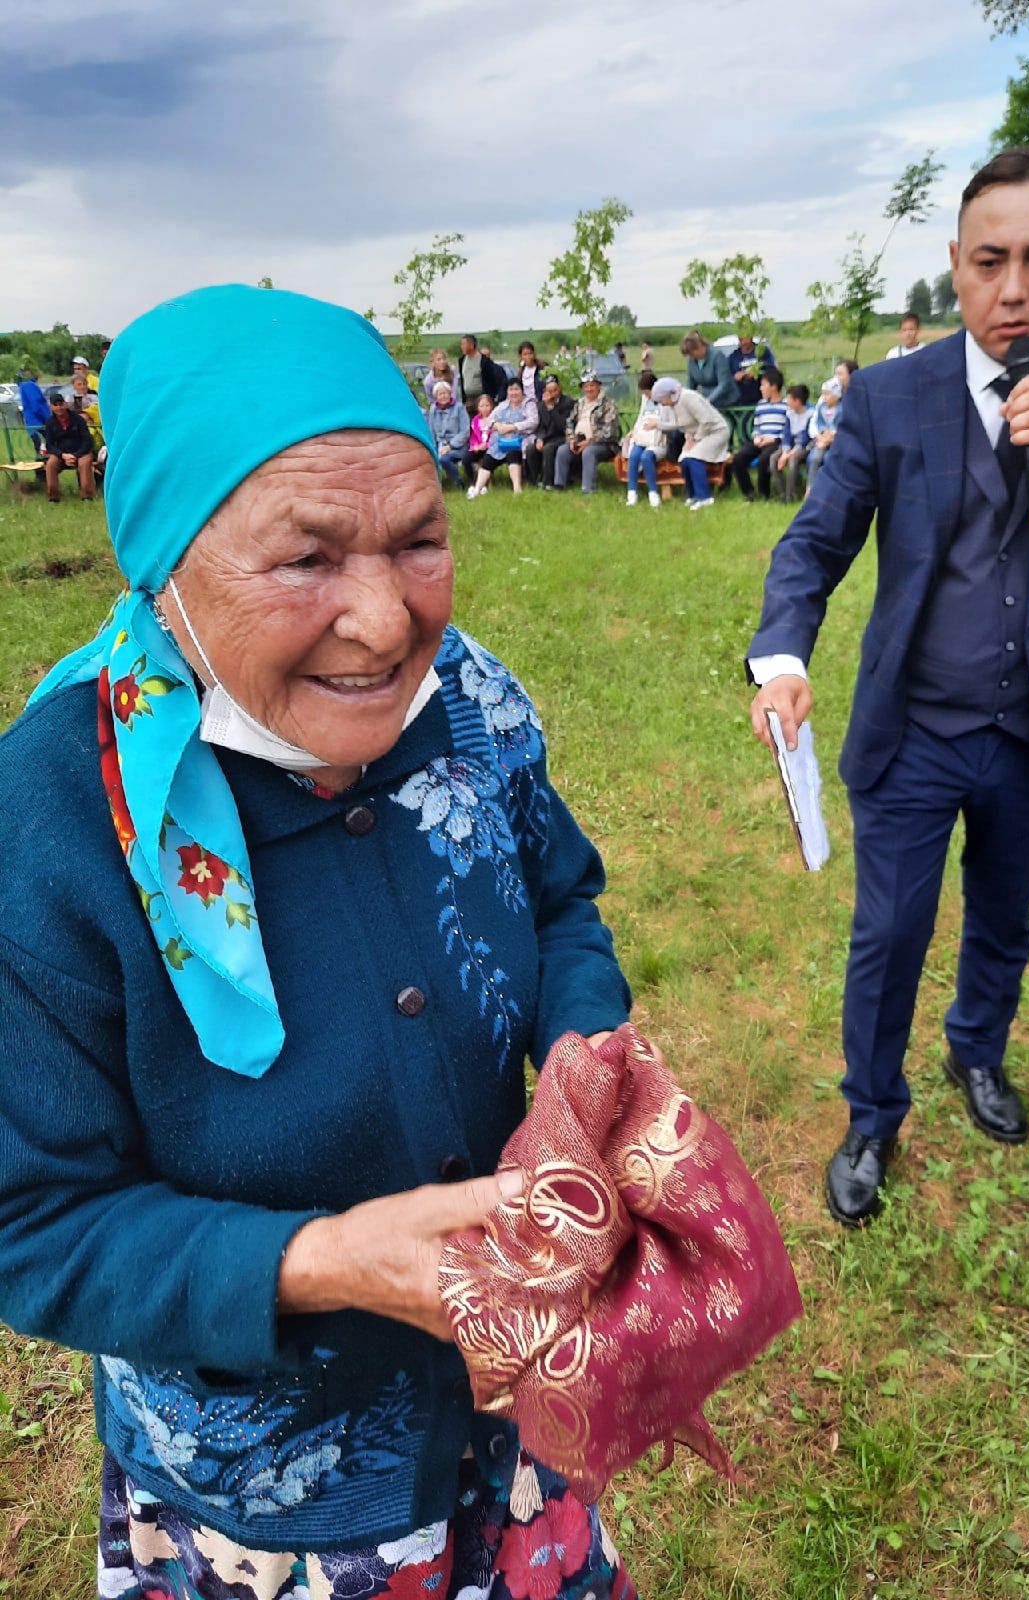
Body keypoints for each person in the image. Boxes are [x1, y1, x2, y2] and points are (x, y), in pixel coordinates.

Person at [0, 284, 640, 1600]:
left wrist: (582, 1060)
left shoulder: (469, 697)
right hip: (274, 1501)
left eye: (419, 540)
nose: (390, 621)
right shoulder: (57, 816)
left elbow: (562, 894)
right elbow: (31, 1221)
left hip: (515, 1397)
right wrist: (326, 1264)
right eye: (306, 559)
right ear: (165, 563)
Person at [746, 144, 1029, 1228]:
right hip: (916, 727)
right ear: (954, 265)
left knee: (1004, 911)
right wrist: (784, 658)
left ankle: (977, 1052)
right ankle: (871, 1112)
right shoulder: (890, 395)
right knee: (890, 929)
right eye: (988, 260)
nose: (1012, 289)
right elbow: (816, 542)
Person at [649, 378, 729, 510]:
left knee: (693, 459)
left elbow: (706, 420)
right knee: (684, 460)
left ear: (669, 395)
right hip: (697, 434)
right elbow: (685, 425)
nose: (662, 404)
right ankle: (693, 496)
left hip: (715, 432)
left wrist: (696, 439)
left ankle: (705, 497)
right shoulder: (674, 405)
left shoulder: (688, 398)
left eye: (661, 400)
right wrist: (688, 439)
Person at [552, 370, 621, 494]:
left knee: (589, 452)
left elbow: (609, 431)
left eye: (592, 385)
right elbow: (569, 422)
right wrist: (572, 439)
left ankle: (588, 489)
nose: (589, 389)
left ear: (599, 386)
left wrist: (589, 442)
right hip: (579, 440)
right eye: (586, 386)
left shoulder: (609, 404)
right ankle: (560, 485)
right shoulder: (580, 403)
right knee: (562, 450)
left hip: (604, 444)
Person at [466, 378, 536, 497]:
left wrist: (513, 427)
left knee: (512, 454)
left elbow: (533, 422)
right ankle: (477, 489)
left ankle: (517, 489)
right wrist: (497, 425)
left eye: (516, 389)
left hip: (518, 441)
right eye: (511, 390)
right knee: (488, 458)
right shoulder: (503, 405)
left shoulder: (529, 404)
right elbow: (490, 420)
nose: (513, 393)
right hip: (501, 441)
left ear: (522, 391)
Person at [730, 365, 788, 502]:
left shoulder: (786, 405)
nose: (760, 388)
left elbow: (788, 429)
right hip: (760, 440)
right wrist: (756, 436)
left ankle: (764, 494)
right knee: (739, 458)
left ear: (773, 387)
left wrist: (773, 438)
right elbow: (757, 425)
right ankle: (748, 493)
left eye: (763, 385)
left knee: (764, 460)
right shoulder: (761, 404)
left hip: (776, 441)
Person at [621, 370, 668, 507]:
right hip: (643, 436)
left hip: (658, 439)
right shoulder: (645, 399)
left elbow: (671, 422)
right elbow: (641, 416)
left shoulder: (665, 400)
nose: (646, 396)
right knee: (634, 456)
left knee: (646, 457)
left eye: (647, 392)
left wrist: (657, 424)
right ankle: (632, 492)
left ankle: (653, 493)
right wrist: (633, 431)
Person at [39, 391, 96, 501]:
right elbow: (49, 445)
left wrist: (75, 455)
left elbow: (87, 440)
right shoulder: (50, 422)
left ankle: (87, 497)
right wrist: (63, 455)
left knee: (84, 464)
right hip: (61, 454)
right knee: (50, 465)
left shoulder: (78, 419)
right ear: (51, 407)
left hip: (81, 452)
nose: (59, 407)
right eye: (56, 405)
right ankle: (53, 498)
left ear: (65, 404)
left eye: (61, 404)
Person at [525, 373, 573, 488]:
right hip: (546, 436)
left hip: (561, 436)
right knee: (531, 448)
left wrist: (552, 408)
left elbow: (563, 425)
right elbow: (540, 425)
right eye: (549, 391)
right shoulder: (541, 405)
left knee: (549, 448)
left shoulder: (568, 402)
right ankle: (536, 479)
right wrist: (540, 438)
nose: (552, 394)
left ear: (559, 389)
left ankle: (548, 482)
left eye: (555, 390)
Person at [771, 384, 813, 504]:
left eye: (789, 399)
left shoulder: (810, 414)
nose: (787, 401)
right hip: (789, 446)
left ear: (798, 401)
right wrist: (785, 452)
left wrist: (790, 454)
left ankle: (791, 495)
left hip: (804, 447)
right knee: (773, 458)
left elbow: (805, 438)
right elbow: (787, 434)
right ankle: (782, 494)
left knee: (793, 460)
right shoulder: (790, 413)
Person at [427, 379, 470, 487]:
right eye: (440, 394)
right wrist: (432, 448)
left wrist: (450, 446)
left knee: (444, 459)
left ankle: (458, 482)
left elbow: (465, 431)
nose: (443, 396)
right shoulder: (433, 410)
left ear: (450, 394)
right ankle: (435, 487)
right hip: (440, 444)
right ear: (436, 396)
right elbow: (431, 431)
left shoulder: (459, 407)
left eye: (445, 393)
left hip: (458, 445)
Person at [680, 331, 738, 408]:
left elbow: (724, 384)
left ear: (699, 346)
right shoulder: (691, 360)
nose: (691, 357)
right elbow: (691, 385)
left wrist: (708, 401)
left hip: (725, 401)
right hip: (705, 401)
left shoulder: (717, 356)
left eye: (692, 353)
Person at [804, 377, 843, 492]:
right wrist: (822, 436)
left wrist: (829, 438)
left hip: (836, 442)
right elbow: (819, 423)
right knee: (814, 457)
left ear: (836, 395)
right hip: (822, 440)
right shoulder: (822, 408)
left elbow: (840, 427)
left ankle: (830, 490)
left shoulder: (842, 409)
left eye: (828, 394)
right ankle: (810, 488)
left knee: (829, 458)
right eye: (824, 394)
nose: (824, 397)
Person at [457, 333, 507, 415]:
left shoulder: (484, 361)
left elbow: (494, 379)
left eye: (463, 344)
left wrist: (493, 398)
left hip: (482, 399)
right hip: (468, 400)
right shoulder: (462, 360)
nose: (461, 346)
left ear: (471, 345)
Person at [728, 332, 778, 411]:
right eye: (740, 339)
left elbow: (773, 371)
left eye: (745, 338)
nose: (743, 342)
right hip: (741, 400)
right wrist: (735, 377)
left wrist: (758, 372)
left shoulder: (763, 352)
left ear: (751, 337)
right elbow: (727, 377)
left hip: (761, 397)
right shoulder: (733, 357)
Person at [465, 391, 497, 485]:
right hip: (478, 447)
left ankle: (485, 483)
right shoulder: (475, 420)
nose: (484, 408)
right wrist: (475, 446)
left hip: (490, 447)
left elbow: (495, 436)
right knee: (466, 459)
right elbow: (473, 436)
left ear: (491, 406)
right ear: (478, 407)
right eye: (482, 406)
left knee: (487, 459)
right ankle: (472, 482)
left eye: (487, 405)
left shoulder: (495, 419)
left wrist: (486, 445)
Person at [18, 368, 50, 450]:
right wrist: (48, 418)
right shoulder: (29, 385)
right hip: (39, 423)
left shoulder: (24, 385)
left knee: (40, 448)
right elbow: (36, 404)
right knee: (48, 447)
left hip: (32, 422)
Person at [515, 341, 545, 405]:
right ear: (521, 356)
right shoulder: (521, 371)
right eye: (525, 354)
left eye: (530, 353)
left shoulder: (541, 368)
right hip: (525, 403)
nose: (528, 357)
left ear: (534, 354)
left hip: (540, 403)